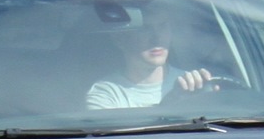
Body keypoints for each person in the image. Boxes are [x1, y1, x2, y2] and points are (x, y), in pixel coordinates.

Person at [84, 15, 215, 109]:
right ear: (120, 39)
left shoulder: (193, 85)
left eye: (163, 27)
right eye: (145, 29)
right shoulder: (106, 94)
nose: (157, 38)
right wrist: (170, 104)